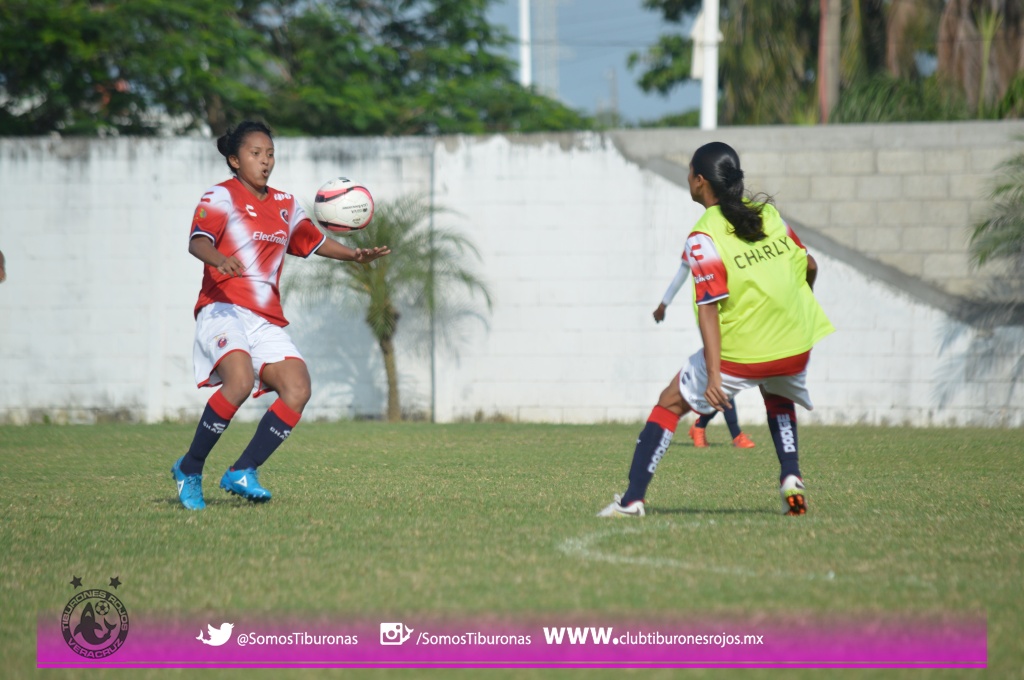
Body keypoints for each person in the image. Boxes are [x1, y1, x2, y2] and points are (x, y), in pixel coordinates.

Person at [599, 142, 834, 518]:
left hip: (741, 353)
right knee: (776, 391)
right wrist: (796, 313)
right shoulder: (769, 216)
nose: (688, 178)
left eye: (690, 172)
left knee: (669, 402)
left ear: (700, 181)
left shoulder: (702, 236)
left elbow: (709, 307)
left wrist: (713, 375)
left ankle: (631, 501)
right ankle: (791, 476)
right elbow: (810, 265)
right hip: (795, 344)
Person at [171, 121, 390, 510]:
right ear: (235, 160)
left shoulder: (286, 205)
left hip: (264, 318)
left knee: (298, 388)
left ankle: (243, 470)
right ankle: (190, 468)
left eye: (270, 154)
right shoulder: (219, 197)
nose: (265, 161)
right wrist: (219, 259)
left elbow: (313, 240)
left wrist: (355, 255)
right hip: (223, 309)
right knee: (238, 382)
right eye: (256, 154)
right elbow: (198, 241)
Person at [654, 267, 755, 449]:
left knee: (727, 378)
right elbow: (681, 273)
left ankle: (701, 427)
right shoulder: (699, 241)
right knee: (723, 376)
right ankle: (733, 435)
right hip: (709, 313)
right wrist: (663, 304)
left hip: (732, 316)